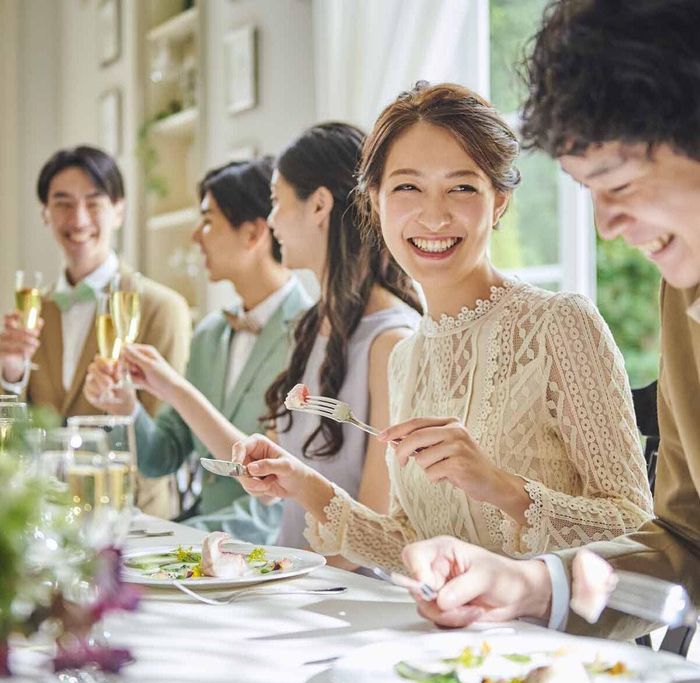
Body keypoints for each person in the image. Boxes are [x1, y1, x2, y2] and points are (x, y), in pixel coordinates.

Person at [231, 83, 652, 571]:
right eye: (408, 187)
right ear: (375, 201)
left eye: (462, 187)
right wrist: (303, 484)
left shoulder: (560, 324)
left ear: (498, 203)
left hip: (548, 640)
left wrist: (500, 487)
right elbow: (409, 543)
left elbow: (636, 529)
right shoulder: (407, 358)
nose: (434, 215)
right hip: (449, 635)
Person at [400, 0, 700, 641]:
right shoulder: (684, 300)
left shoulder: (559, 323)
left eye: (616, 182)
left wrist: (508, 492)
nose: (605, 227)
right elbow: (683, 540)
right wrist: (529, 584)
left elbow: (627, 513)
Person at [86, 123, 422, 553]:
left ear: (319, 206)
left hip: (330, 592)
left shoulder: (390, 340)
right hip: (292, 576)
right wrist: (168, 387)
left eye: (278, 204)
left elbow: (377, 538)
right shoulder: (311, 328)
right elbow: (267, 476)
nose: (272, 221)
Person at [84, 158, 311, 542]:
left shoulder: (311, 335)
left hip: (274, 554)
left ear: (254, 232)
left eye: (208, 221)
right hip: (203, 552)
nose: (196, 236)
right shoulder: (208, 334)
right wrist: (127, 407)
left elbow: (276, 506)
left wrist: (169, 537)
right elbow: (161, 457)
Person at [0, 145, 191, 518]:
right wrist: (10, 374)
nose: (79, 218)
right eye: (63, 203)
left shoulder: (160, 308)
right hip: (47, 516)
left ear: (118, 210)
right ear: (45, 214)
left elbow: (163, 440)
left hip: (134, 518)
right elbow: (14, 437)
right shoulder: (35, 310)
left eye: (94, 202)